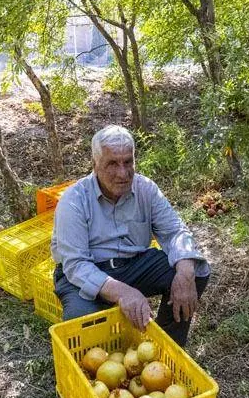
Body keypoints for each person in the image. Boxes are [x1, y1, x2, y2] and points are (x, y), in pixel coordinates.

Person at [51, 125, 209, 346]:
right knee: (82, 321)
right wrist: (122, 292)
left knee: (194, 270)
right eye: (112, 164)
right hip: (84, 271)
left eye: (128, 162)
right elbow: (76, 265)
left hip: (133, 265)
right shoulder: (74, 200)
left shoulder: (146, 189)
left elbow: (175, 231)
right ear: (95, 164)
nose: (123, 173)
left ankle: (166, 346)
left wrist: (184, 273)